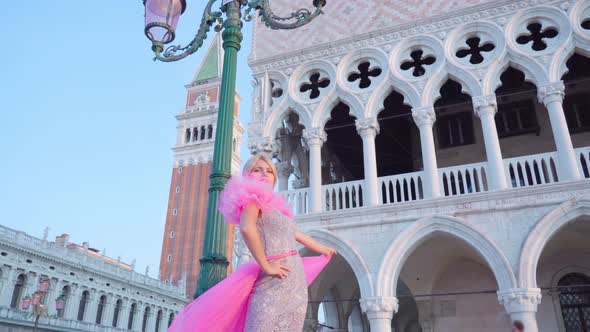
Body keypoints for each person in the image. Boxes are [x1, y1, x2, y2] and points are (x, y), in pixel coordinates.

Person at [168, 153, 336, 332]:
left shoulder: (275, 209)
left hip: (294, 283)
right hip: (273, 278)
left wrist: (323, 248)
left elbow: (294, 234)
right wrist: (266, 265)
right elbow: (247, 228)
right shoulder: (252, 200)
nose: (264, 174)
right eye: (257, 170)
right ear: (248, 175)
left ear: (274, 178)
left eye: (269, 171)